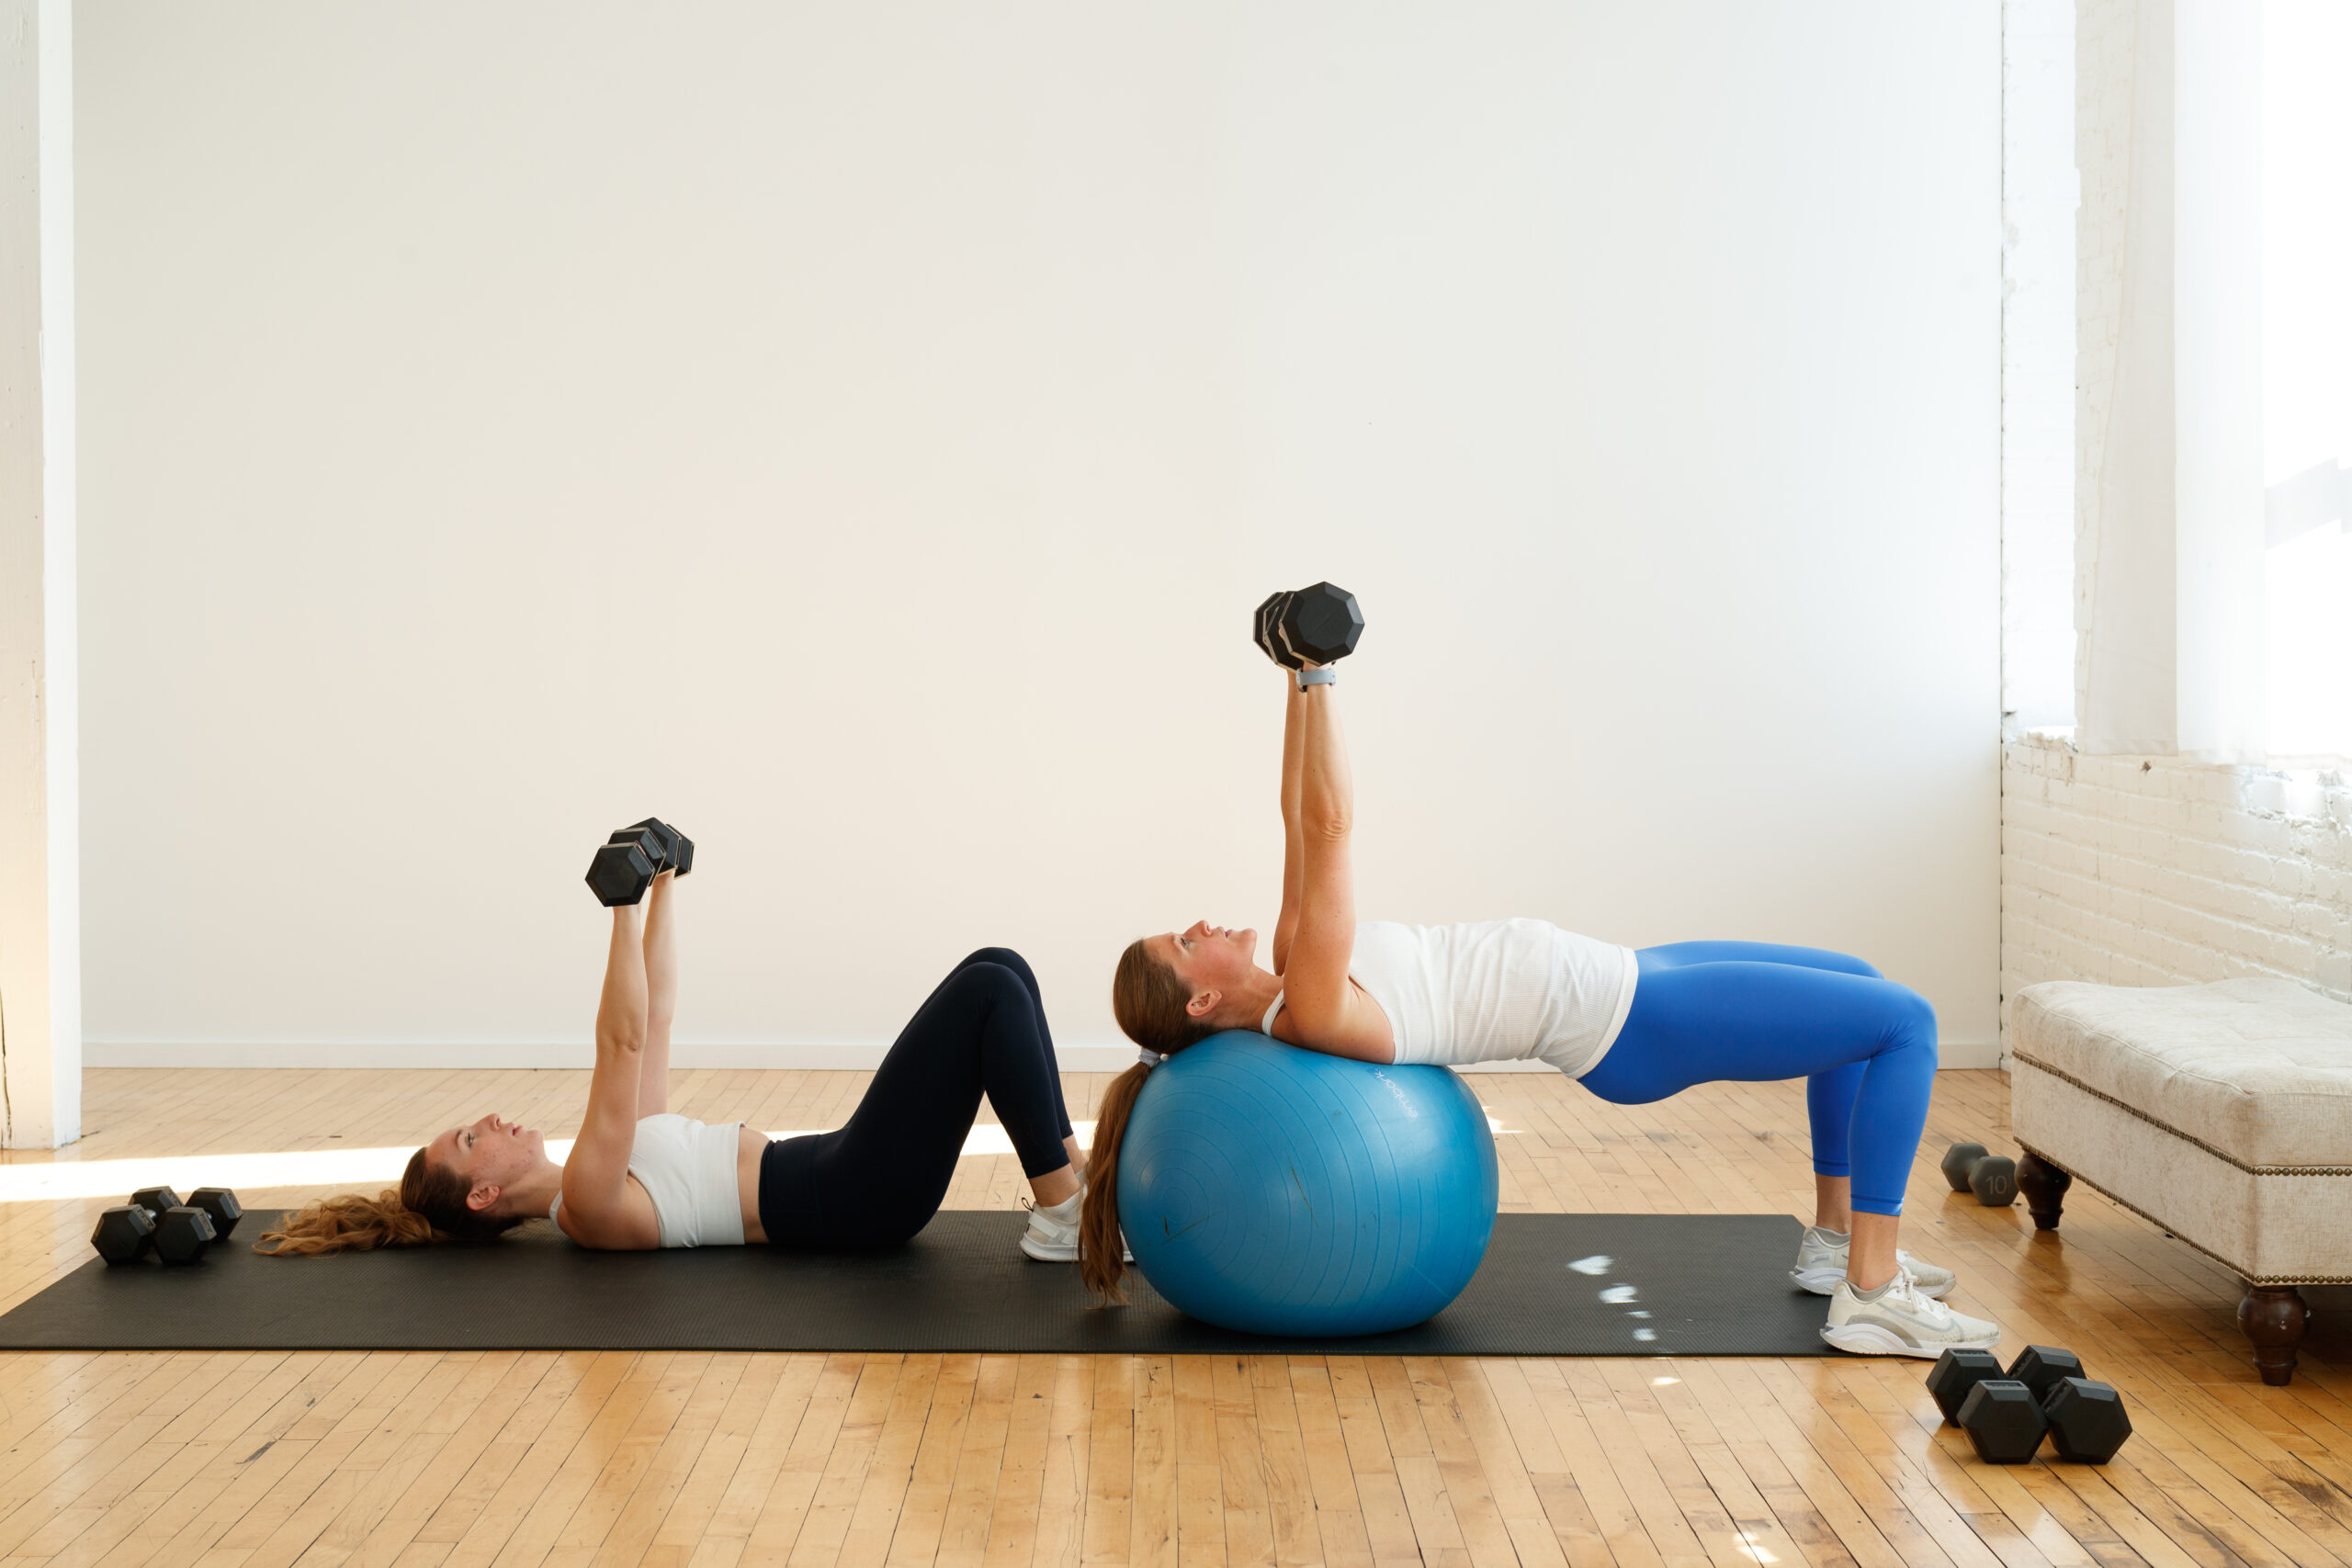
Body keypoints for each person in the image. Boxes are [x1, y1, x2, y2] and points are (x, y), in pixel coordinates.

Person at [1085, 642, 2002, 1359]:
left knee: (1860, 986)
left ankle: (1837, 1245)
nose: (1200, 922)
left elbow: (1293, 813)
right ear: (1201, 1000)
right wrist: (1326, 677)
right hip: (1631, 1024)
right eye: (1183, 938)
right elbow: (1330, 828)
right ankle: (1872, 1297)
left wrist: (1293, 674)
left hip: (1625, 973)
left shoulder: (1293, 964)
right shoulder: (1315, 1001)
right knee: (1906, 1023)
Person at [259, 829, 1093, 1261]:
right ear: (481, 1195)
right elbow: (618, 1045)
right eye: (471, 1141)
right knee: (987, 991)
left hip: (847, 1171)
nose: (489, 1120)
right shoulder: (585, 1200)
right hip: (854, 1196)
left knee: (1000, 966)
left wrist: (659, 889)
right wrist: (616, 909)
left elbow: (652, 1020)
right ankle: (1064, 1217)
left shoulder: (611, 1160)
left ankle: (1075, 1187)